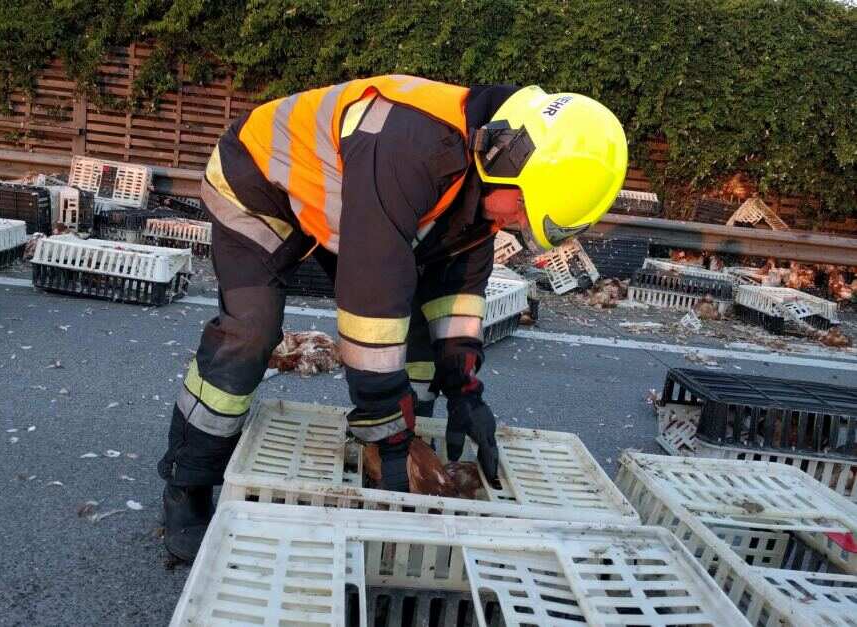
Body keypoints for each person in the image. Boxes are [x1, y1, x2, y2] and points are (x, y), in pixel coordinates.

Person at [157, 75, 627, 560]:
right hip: (256, 180)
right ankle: (187, 482)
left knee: (419, 336)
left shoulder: (486, 181)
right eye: (526, 208)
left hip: (343, 201)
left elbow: (457, 296)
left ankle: (395, 454)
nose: (520, 224)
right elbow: (371, 299)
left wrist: (466, 391)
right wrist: (383, 417)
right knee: (249, 334)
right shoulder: (412, 146)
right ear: (507, 161)